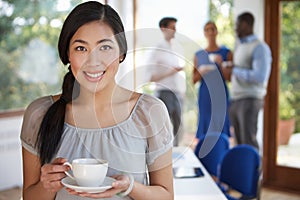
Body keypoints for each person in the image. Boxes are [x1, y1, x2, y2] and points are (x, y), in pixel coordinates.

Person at [20, 1, 174, 200]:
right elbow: (29, 196)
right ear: (68, 54)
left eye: (105, 47)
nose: (93, 62)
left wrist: (130, 187)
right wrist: (47, 185)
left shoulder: (149, 112)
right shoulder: (39, 113)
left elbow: (166, 196)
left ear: (121, 53)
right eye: (81, 48)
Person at [222, 12, 272, 149]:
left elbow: (260, 76)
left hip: (250, 100)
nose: (235, 28)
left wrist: (234, 71)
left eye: (237, 25)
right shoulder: (240, 46)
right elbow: (243, 68)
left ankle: (255, 171)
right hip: (237, 99)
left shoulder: (260, 47)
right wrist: (233, 67)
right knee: (239, 144)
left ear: (246, 24)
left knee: (249, 142)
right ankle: (242, 171)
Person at [147, 17, 186, 146]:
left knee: (178, 128)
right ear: (163, 28)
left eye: (176, 27)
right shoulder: (157, 50)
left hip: (177, 94)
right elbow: (150, 77)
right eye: (172, 27)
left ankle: (176, 156)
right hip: (163, 93)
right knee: (163, 129)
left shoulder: (176, 49)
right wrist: (171, 71)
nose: (175, 30)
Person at [192, 21, 232, 144]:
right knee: (205, 122)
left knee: (221, 122)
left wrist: (221, 65)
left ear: (217, 31)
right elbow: (193, 80)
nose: (210, 32)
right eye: (207, 30)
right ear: (204, 33)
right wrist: (202, 71)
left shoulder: (227, 53)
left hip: (221, 93)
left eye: (212, 29)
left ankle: (222, 154)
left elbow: (229, 78)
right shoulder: (199, 55)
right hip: (205, 94)